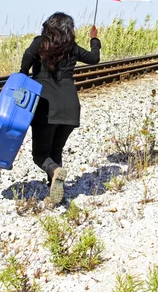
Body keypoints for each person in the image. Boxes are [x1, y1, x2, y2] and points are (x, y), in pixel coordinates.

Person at [20, 12, 101, 206]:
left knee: (40, 155)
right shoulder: (71, 48)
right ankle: (56, 193)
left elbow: (24, 65)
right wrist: (94, 39)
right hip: (71, 107)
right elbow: (94, 58)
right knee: (56, 149)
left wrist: (24, 77)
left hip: (46, 109)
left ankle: (55, 172)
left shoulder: (40, 43)